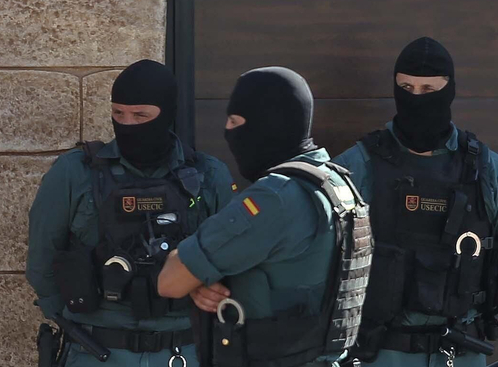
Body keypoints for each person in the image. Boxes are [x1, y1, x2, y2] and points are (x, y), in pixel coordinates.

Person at [26, 60, 237, 366]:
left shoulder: (208, 176)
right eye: (118, 114)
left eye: (140, 115)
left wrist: (210, 290)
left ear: (167, 114)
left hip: (181, 351)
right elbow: (41, 261)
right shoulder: (75, 172)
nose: (127, 124)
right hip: (95, 349)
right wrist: (74, 317)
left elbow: (234, 263)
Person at [158, 67, 372, 367]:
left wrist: (195, 277)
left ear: (268, 124)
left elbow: (170, 281)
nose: (227, 130)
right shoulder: (339, 183)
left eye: (235, 121)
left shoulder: (275, 197)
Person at [334, 38, 498, 365]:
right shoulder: (358, 165)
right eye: (406, 87)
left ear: (449, 90)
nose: (416, 98)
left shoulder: (485, 168)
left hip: (462, 351)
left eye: (428, 89)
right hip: (380, 353)